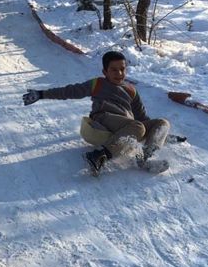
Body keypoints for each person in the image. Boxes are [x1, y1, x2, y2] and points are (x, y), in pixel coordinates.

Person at [22, 51, 171, 176]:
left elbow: (142, 117)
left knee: (162, 123)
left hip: (127, 125)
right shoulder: (98, 84)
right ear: (105, 72)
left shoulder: (131, 90)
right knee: (138, 127)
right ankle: (99, 155)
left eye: (122, 69)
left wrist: (160, 135)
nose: (119, 73)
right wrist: (42, 94)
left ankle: (145, 157)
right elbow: (69, 91)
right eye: (114, 70)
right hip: (103, 120)